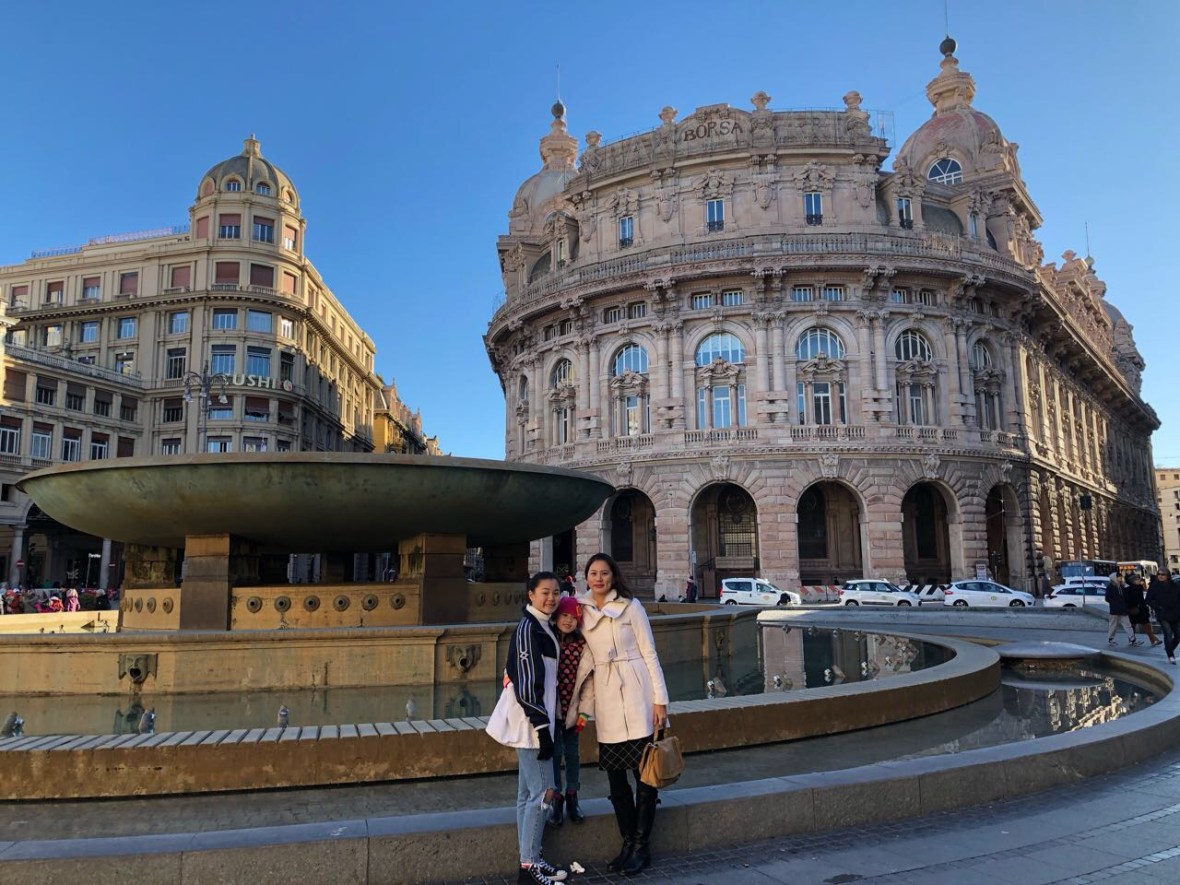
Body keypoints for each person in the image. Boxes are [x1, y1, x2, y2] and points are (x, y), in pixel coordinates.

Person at [577, 552, 669, 876]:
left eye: (604, 573)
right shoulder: (581, 611)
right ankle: (627, 842)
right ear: (586, 578)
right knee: (616, 781)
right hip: (607, 699)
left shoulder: (632, 607)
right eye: (593, 573)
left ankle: (641, 847)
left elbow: (649, 653)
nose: (599, 578)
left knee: (645, 777)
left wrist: (660, 701)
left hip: (638, 694)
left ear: (613, 576)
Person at [485, 572, 569, 885]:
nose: (551, 598)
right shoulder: (528, 628)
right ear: (530, 594)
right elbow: (526, 682)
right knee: (544, 793)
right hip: (532, 723)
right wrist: (543, 728)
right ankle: (529, 867)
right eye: (545, 592)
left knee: (526, 795)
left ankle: (530, 858)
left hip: (536, 721)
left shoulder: (541, 626)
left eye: (556, 592)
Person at [547, 595, 590, 828]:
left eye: (573, 617)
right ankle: (557, 798)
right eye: (564, 615)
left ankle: (572, 794)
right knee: (555, 754)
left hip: (573, 711)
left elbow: (589, 683)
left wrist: (585, 712)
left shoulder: (582, 644)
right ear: (556, 617)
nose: (568, 620)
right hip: (552, 711)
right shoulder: (549, 639)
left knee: (573, 754)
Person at [1146, 569, 1180, 664]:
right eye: (1159, 574)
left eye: (1163, 574)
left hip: (1175, 613)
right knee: (1168, 633)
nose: (1160, 576)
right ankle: (1170, 656)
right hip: (1162, 613)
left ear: (1167, 575)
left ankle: (1169, 648)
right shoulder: (1154, 586)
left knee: (1178, 636)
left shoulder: (1175, 585)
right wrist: (1156, 606)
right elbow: (1148, 599)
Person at [1124, 575, 1161, 647]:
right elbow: (1128, 600)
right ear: (1133, 581)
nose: (1139, 581)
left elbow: (1141, 599)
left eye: (1139, 579)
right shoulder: (1128, 589)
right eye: (1137, 579)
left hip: (1142, 610)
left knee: (1146, 625)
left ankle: (1153, 640)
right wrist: (1133, 606)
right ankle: (1132, 641)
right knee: (1133, 626)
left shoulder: (1139, 587)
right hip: (1134, 610)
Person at [1105, 573, 1138, 647]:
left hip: (1123, 609)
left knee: (1127, 625)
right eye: (1119, 577)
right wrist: (1115, 603)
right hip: (1115, 610)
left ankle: (1132, 639)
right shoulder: (1110, 587)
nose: (1120, 578)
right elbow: (1107, 598)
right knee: (1113, 625)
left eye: (1121, 577)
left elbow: (1127, 596)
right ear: (1115, 578)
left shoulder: (1122, 586)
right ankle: (1110, 639)